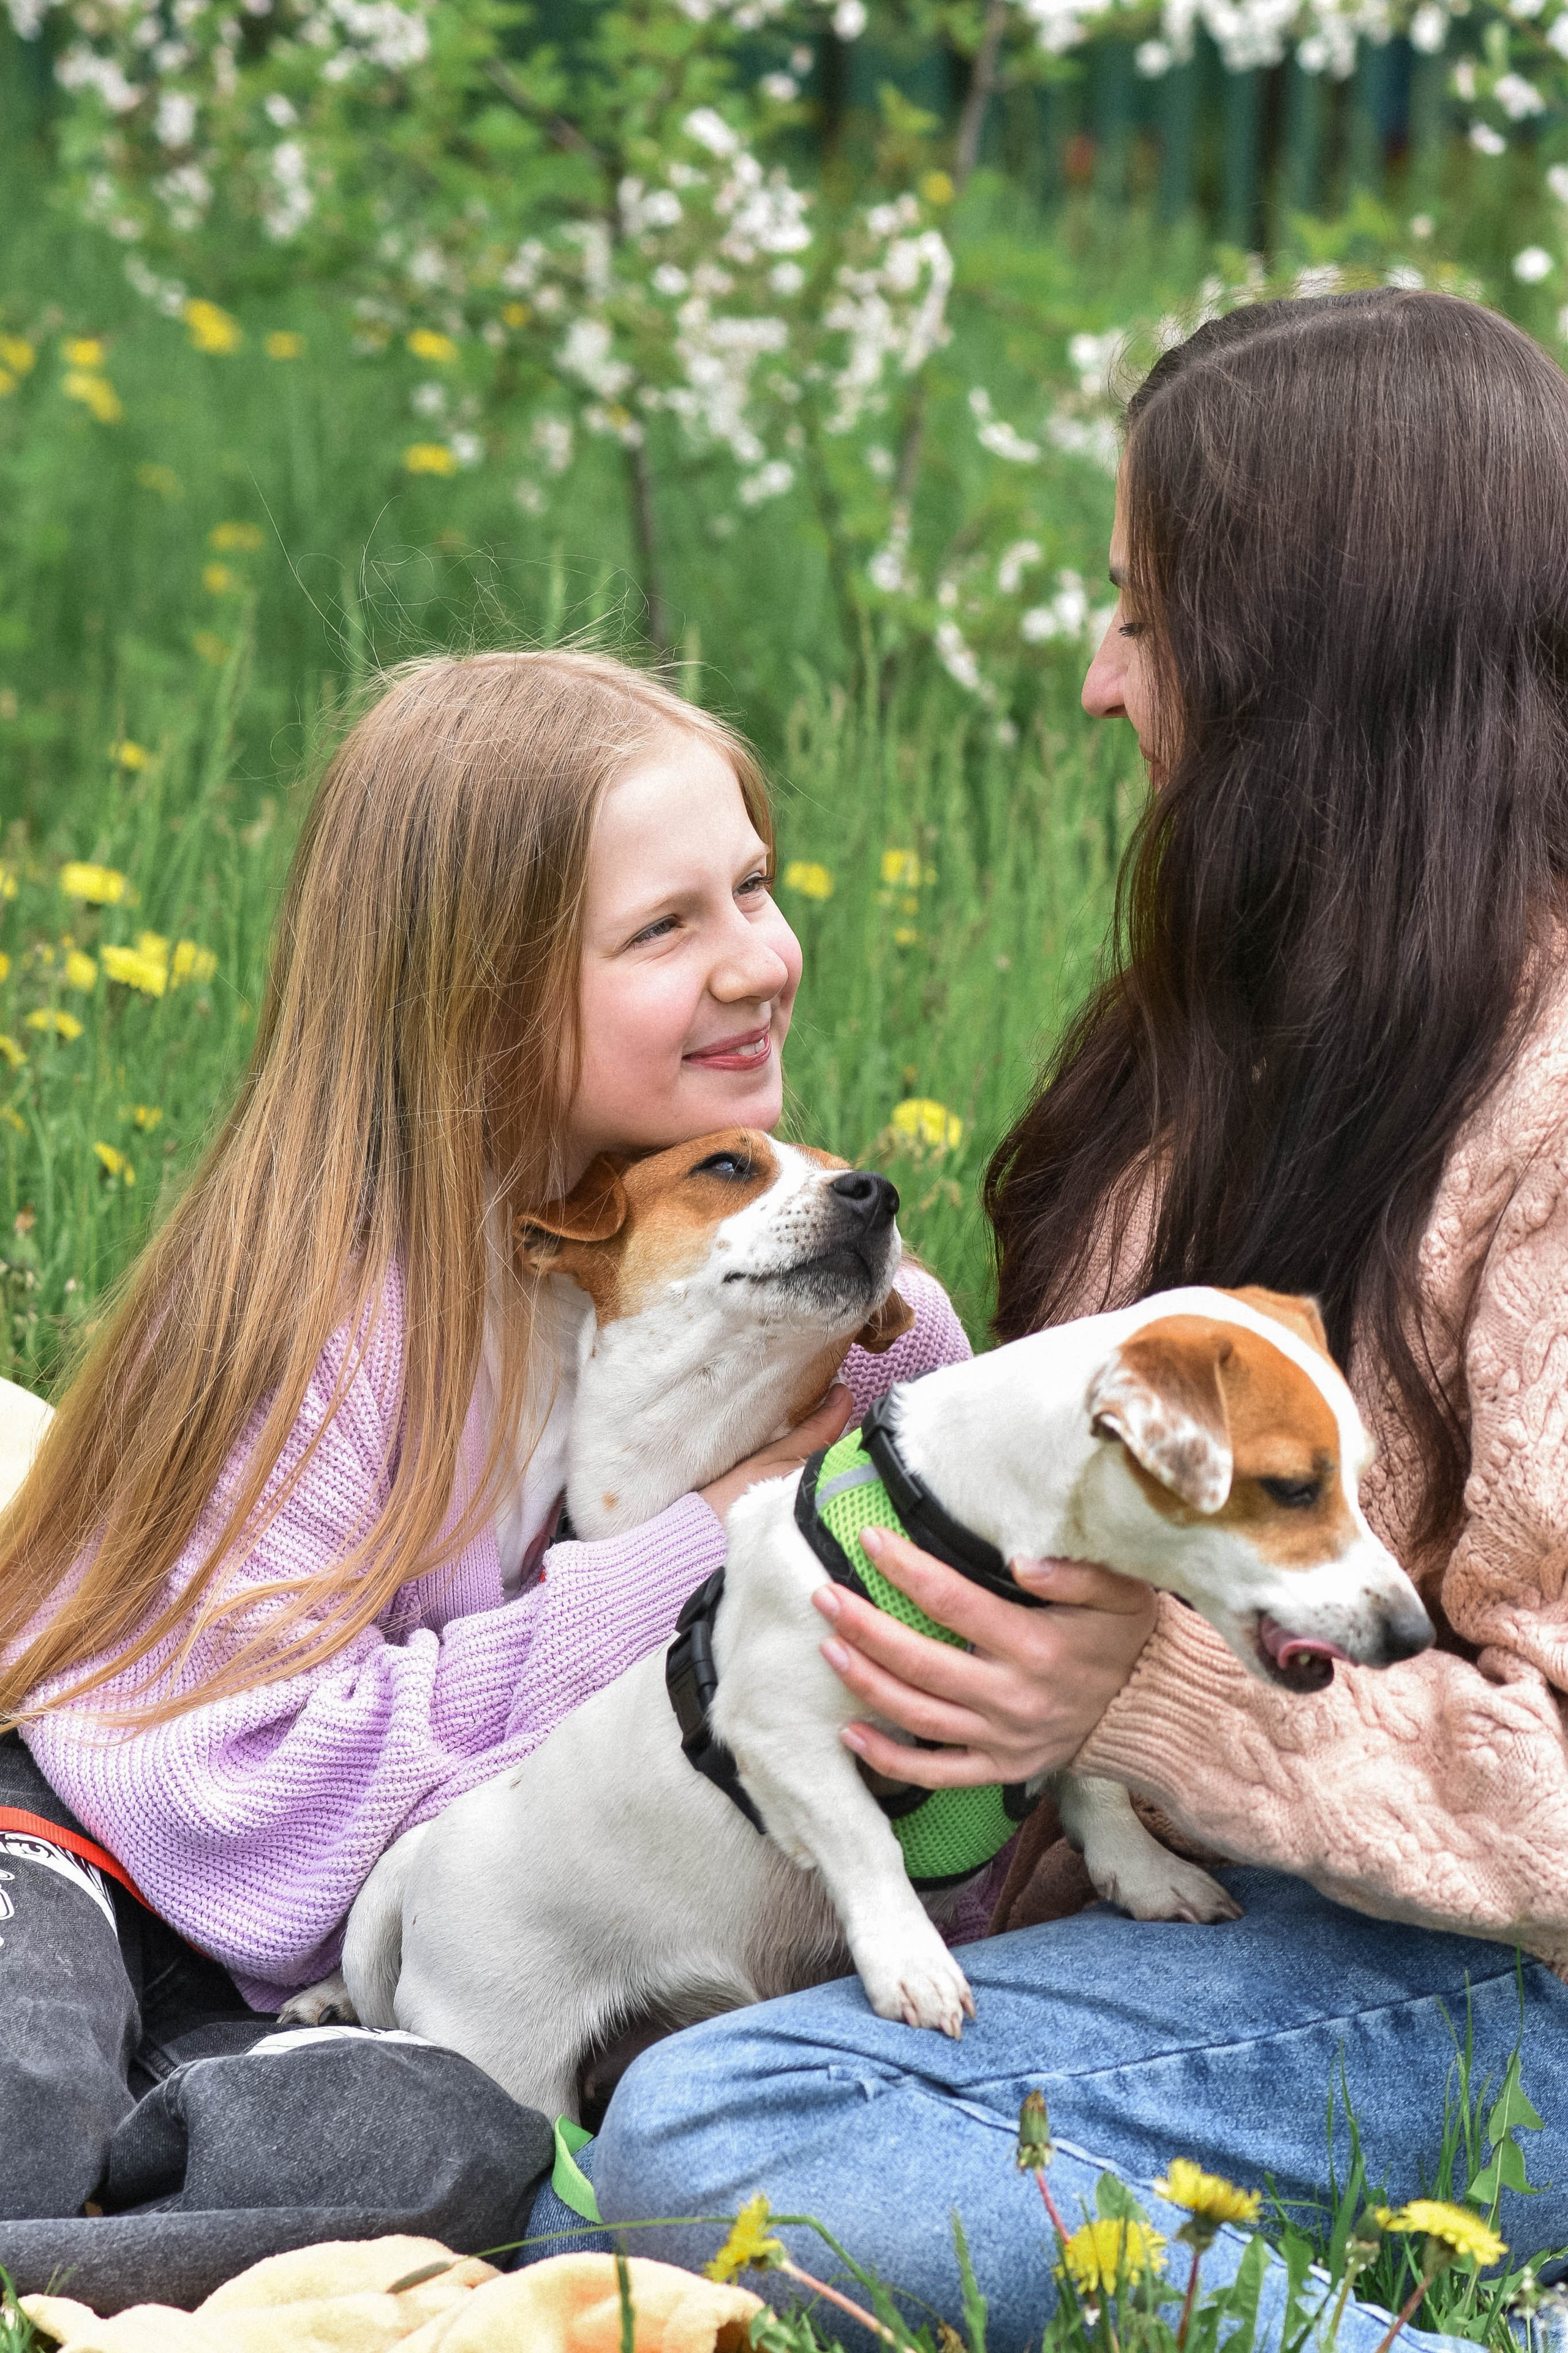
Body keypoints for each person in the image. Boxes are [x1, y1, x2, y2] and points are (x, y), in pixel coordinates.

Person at [592, 290, 1568, 2348]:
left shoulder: (1549, 1113)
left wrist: (1129, 1698)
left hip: (1504, 1985)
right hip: (1216, 1926)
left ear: (1314, 657)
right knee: (592, 2161)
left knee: (720, 2137)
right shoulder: (1213, 1035)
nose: (1104, 675)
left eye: (1146, 612)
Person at [0, 649, 971, 2308]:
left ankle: (142, 2233)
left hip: (398, 1979)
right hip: (101, 1850)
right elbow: (247, 1795)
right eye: (665, 928)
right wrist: (709, 1546)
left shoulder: (857, 1327)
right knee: (22, 2085)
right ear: (479, 996)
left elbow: (927, 1745)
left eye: (755, 887)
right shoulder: (331, 1317)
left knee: (451, 2147)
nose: (759, 958)